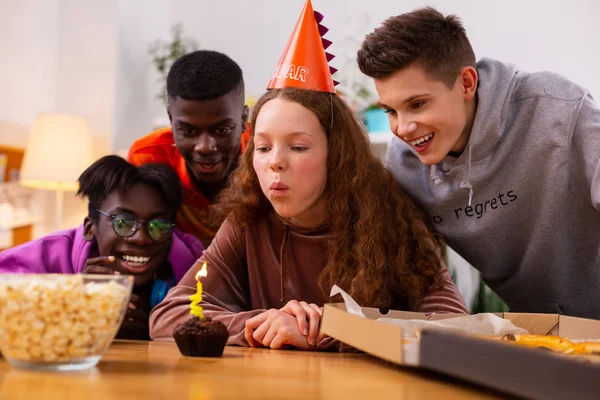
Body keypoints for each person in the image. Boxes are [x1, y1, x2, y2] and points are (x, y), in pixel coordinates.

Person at [149, 85, 469, 350]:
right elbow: (169, 316)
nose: (276, 162)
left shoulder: (393, 220)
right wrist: (266, 324)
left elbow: (456, 330)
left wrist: (329, 331)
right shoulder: (248, 221)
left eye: (298, 147)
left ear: (337, 156)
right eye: (262, 148)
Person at [356, 7, 600, 318]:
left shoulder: (559, 109)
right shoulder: (405, 167)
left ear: (466, 84)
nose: (402, 128)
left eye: (417, 104)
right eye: (391, 111)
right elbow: (410, 269)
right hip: (540, 334)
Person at [0, 156, 204, 339]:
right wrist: (71, 308)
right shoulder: (43, 258)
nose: (141, 239)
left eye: (158, 226)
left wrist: (155, 329)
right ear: (90, 228)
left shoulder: (195, 269)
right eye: (123, 223)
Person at [128, 50, 250, 247]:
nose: (205, 147)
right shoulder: (149, 156)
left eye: (222, 130)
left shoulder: (267, 154)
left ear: (244, 119)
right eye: (188, 130)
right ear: (171, 119)